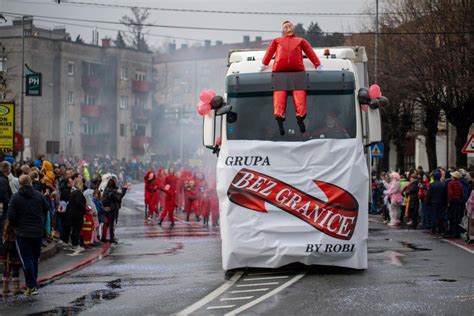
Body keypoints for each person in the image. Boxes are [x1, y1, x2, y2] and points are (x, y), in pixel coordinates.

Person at [261, 20, 321, 135]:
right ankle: (279, 120)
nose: (288, 27)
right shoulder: (277, 41)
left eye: (290, 25)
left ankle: (300, 117)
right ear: (283, 30)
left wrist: (317, 64)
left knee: (300, 96)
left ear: (293, 28)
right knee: (279, 96)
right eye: (285, 26)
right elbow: (269, 52)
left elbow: (309, 51)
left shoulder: (300, 41)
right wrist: (264, 63)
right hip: (280, 72)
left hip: (297, 71)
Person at [7, 175, 49, 296]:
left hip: (22, 233)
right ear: (30, 182)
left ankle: (31, 286)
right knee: (34, 258)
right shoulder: (38, 195)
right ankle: (33, 283)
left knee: (27, 260)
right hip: (37, 231)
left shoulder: (15, 197)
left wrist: (16, 226)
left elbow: (11, 216)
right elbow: (46, 208)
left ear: (20, 184)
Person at [101, 178, 128, 243]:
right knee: (111, 223)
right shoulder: (114, 191)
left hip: (106, 208)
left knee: (106, 223)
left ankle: (103, 237)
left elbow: (103, 198)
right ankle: (111, 238)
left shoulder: (105, 190)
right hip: (113, 209)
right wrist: (124, 190)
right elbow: (119, 198)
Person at [1, 221, 22, 297]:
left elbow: (3, 248)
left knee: (6, 270)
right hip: (14, 255)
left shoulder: (6, 239)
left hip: (6, 256)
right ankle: (16, 288)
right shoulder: (16, 239)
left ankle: (5, 288)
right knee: (15, 270)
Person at [426, 170, 447, 237]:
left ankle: (434, 231)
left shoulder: (431, 185)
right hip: (441, 202)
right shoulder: (443, 184)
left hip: (433, 203)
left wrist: (427, 202)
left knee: (434, 216)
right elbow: (445, 194)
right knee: (440, 217)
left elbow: (429, 195)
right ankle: (440, 231)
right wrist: (445, 203)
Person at [69, 177, 87, 251]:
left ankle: (74, 244)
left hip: (72, 213)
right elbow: (78, 203)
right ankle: (75, 245)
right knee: (77, 229)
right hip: (77, 214)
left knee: (74, 229)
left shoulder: (73, 192)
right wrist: (84, 209)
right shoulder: (78, 192)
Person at [447, 171, 464, 238]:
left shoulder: (450, 183)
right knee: (457, 216)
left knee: (452, 216)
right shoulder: (460, 184)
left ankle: (452, 232)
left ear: (454, 177)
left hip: (453, 200)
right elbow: (462, 194)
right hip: (458, 200)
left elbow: (450, 194)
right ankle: (458, 232)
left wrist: (448, 202)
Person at [0, 162, 13, 231]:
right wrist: (9, 203)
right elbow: (2, 195)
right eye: (10, 167)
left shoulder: (3, 179)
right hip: (3, 209)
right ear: (7, 169)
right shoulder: (3, 180)